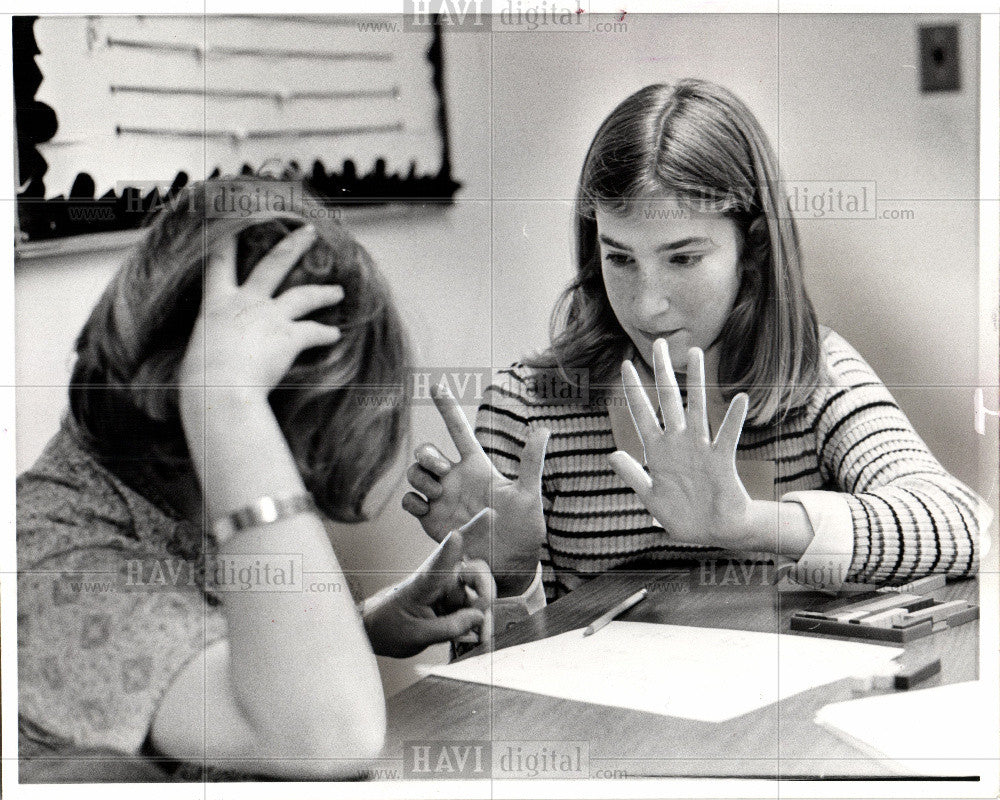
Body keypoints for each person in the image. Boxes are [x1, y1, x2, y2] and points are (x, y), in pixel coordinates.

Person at [402, 79, 991, 605]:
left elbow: (965, 527)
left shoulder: (814, 376)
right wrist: (507, 577)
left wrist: (749, 524)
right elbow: (483, 668)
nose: (647, 303)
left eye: (683, 257)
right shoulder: (527, 406)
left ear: (752, 252)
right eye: (620, 258)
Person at [17, 177, 494, 782]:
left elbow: (192, 659)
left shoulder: (159, 508)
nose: (294, 476)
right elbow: (330, 738)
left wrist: (360, 624)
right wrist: (227, 404)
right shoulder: (49, 560)